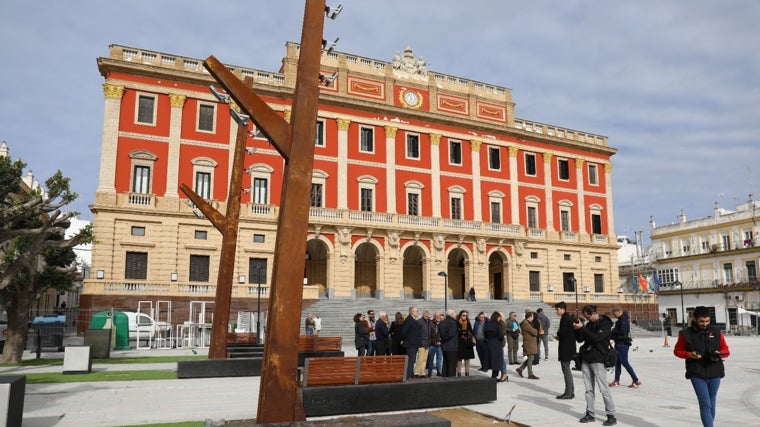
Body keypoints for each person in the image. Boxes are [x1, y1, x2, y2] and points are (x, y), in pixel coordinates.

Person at [674, 305, 730, 427]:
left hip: (715, 370)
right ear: (694, 319)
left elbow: (726, 350)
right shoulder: (685, 333)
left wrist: (720, 353)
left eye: (707, 321)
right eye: (702, 321)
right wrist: (689, 354)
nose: (705, 324)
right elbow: (677, 351)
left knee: (711, 402)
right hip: (697, 372)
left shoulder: (716, 331)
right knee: (705, 403)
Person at [573, 304, 617, 426]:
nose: (587, 319)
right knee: (588, 389)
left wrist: (584, 328)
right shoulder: (589, 325)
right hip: (587, 359)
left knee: (603, 389)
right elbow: (580, 340)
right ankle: (590, 413)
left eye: (588, 317)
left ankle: (611, 415)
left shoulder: (605, 324)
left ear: (593, 313)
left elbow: (597, 338)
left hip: (599, 359)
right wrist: (577, 329)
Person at [610, 306, 641, 388]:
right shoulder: (621, 320)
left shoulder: (623, 320)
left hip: (622, 344)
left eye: (614, 313)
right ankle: (616, 380)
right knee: (617, 362)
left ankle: (635, 380)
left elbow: (622, 332)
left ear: (619, 312)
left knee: (624, 362)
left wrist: (613, 332)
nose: (614, 315)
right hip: (619, 343)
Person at [554, 301, 576, 399]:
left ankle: (569, 392)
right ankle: (570, 391)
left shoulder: (565, 318)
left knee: (566, 369)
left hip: (566, 348)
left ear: (563, 309)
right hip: (568, 347)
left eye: (557, 309)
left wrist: (558, 334)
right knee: (566, 369)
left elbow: (562, 333)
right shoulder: (567, 317)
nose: (556, 311)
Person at [484, 311, 508, 382]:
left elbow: (485, 335)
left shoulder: (488, 324)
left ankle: (493, 376)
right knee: (497, 361)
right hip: (497, 344)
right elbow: (500, 335)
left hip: (489, 344)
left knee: (492, 360)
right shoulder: (498, 325)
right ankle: (494, 377)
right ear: (497, 317)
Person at [516, 311, 539, 379]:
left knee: (530, 358)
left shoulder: (527, 323)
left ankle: (520, 369)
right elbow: (534, 332)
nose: (533, 318)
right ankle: (530, 374)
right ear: (529, 317)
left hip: (530, 342)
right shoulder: (526, 324)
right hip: (529, 343)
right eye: (532, 316)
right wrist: (536, 331)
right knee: (531, 358)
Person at [401, 306, 421, 379]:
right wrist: (408, 339)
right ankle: (408, 375)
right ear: (412, 312)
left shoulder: (413, 320)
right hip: (410, 344)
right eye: (416, 311)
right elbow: (403, 332)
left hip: (414, 344)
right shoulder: (409, 320)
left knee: (412, 360)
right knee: (410, 360)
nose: (418, 312)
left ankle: (411, 373)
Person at [439, 308, 459, 377]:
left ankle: (444, 379)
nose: (456, 315)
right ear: (451, 314)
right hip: (452, 347)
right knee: (452, 365)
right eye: (455, 313)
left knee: (445, 364)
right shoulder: (453, 323)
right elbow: (451, 334)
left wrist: (443, 338)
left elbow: (440, 333)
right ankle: (451, 381)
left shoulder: (442, 322)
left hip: (444, 346)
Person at [456, 310, 475, 376]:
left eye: (466, 315)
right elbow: (457, 332)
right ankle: (459, 372)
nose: (465, 317)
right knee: (459, 358)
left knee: (467, 358)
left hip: (467, 343)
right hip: (460, 342)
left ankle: (467, 372)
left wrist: (465, 332)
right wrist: (464, 332)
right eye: (463, 315)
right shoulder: (457, 322)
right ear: (460, 316)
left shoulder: (468, 323)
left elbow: (471, 332)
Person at [414, 310, 431, 377]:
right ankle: (416, 372)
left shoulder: (429, 322)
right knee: (420, 358)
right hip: (421, 343)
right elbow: (416, 332)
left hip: (427, 343)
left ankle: (422, 372)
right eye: (425, 314)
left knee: (424, 359)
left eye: (427, 314)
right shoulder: (419, 321)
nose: (426, 315)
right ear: (423, 314)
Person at [427, 311, 443, 377]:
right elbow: (429, 334)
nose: (438, 317)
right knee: (431, 359)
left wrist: (441, 341)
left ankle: (439, 371)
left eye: (439, 315)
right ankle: (429, 372)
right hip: (432, 345)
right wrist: (435, 342)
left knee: (439, 359)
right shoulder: (431, 323)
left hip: (440, 345)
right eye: (436, 315)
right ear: (434, 316)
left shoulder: (442, 323)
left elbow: (443, 334)